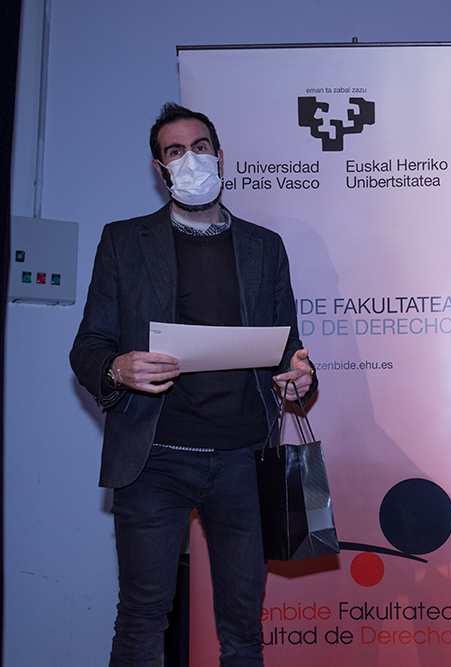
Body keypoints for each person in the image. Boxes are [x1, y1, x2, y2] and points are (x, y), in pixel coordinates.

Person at [70, 102, 317, 666]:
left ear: (220, 156)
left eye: (200, 147)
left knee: (243, 628)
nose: (191, 159)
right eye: (176, 151)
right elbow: (88, 347)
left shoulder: (264, 246)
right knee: (142, 618)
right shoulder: (124, 242)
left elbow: (288, 346)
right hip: (153, 460)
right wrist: (117, 369)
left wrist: (301, 375)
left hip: (244, 460)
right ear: (160, 168)